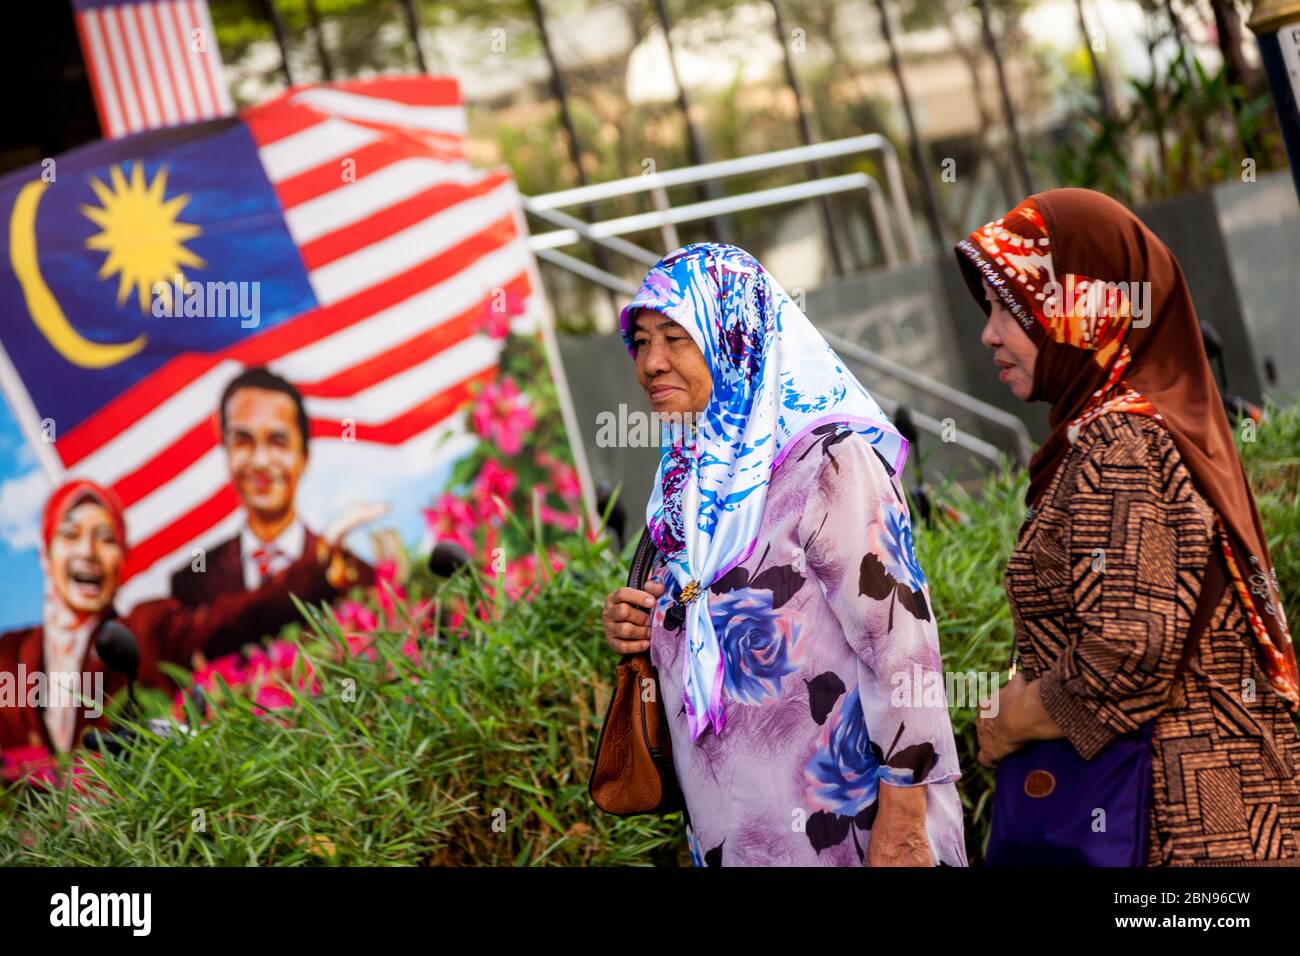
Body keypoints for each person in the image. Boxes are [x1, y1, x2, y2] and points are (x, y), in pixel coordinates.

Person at [955, 188, 1300, 865]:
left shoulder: (1121, 444)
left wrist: (1009, 721)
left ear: (1089, 307)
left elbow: (1129, 649)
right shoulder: (1131, 426)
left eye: (1011, 308)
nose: (989, 333)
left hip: (1184, 828)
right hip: (1215, 810)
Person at [600, 243, 966, 867]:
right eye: (640, 341)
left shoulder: (829, 462)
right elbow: (698, 606)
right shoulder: (686, 485)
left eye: (675, 337)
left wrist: (904, 823)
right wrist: (642, 623)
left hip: (853, 836)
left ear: (734, 334)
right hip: (736, 841)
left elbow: (903, 650)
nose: (651, 363)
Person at [0, 479, 373, 753]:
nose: (88, 551)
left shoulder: (147, 628)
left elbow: (240, 617)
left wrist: (320, 564)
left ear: (122, 560)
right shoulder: (10, 655)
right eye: (70, 534)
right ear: (44, 556)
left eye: (105, 538)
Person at [171, 366, 374, 606]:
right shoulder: (193, 580)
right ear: (226, 452)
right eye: (243, 441)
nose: (260, 461)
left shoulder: (356, 574)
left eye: (278, 442)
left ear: (304, 456)